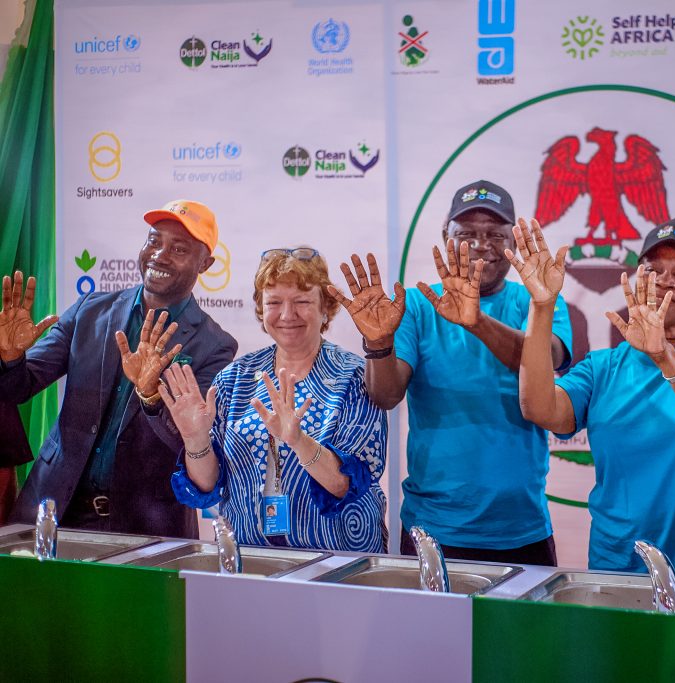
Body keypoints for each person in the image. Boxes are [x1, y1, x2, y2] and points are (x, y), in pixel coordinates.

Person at [329, 180, 571, 565]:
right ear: (445, 237)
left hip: (521, 526)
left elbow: (547, 358)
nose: (481, 244)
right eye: (467, 234)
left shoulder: (538, 298)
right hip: (434, 527)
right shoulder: (420, 306)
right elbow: (386, 396)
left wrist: (476, 323)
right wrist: (377, 343)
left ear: (513, 240)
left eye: (495, 233)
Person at [515, 217, 675, 579]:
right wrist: (542, 305)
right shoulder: (603, 366)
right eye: (653, 269)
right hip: (619, 567)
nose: (664, 281)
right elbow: (539, 407)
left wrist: (665, 356)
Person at [0, 200, 237, 537]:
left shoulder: (214, 345)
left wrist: (152, 396)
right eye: (154, 241)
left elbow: (189, 444)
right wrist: (10, 359)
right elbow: (18, 387)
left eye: (179, 248)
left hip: (145, 527)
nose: (160, 254)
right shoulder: (89, 310)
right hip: (52, 509)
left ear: (206, 263)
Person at [164, 247, 387, 551]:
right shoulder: (234, 379)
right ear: (261, 310)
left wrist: (299, 442)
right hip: (248, 559)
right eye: (274, 302)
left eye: (302, 301)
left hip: (336, 562)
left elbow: (345, 485)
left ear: (325, 308)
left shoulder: (355, 378)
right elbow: (206, 487)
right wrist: (195, 441)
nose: (286, 315)